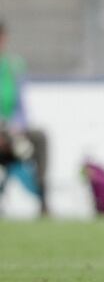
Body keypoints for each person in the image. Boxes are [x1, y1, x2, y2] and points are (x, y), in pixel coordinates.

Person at [0, 20, 49, 216]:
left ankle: (43, 197)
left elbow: (21, 107)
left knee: (40, 137)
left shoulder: (14, 66)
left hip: (12, 130)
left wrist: (17, 126)